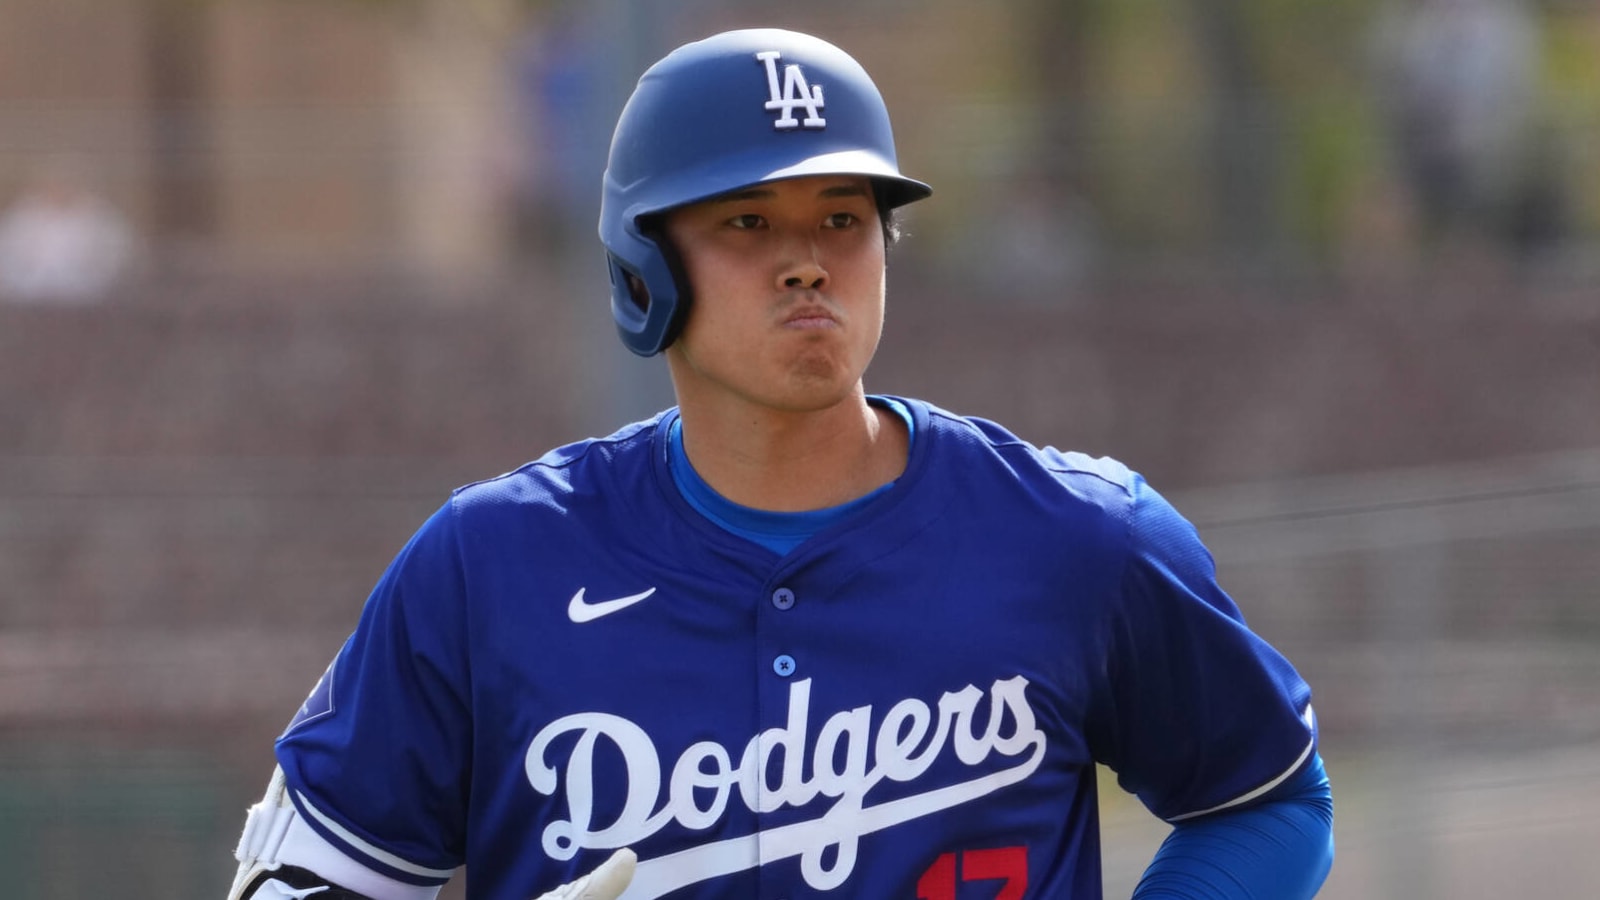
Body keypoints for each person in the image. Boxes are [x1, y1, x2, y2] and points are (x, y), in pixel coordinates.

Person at [227, 28, 1333, 900]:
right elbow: (304, 878)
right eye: (749, 221)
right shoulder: (487, 568)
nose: (808, 262)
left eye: (843, 218)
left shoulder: (1079, 538)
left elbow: (1266, 801)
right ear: (640, 274)